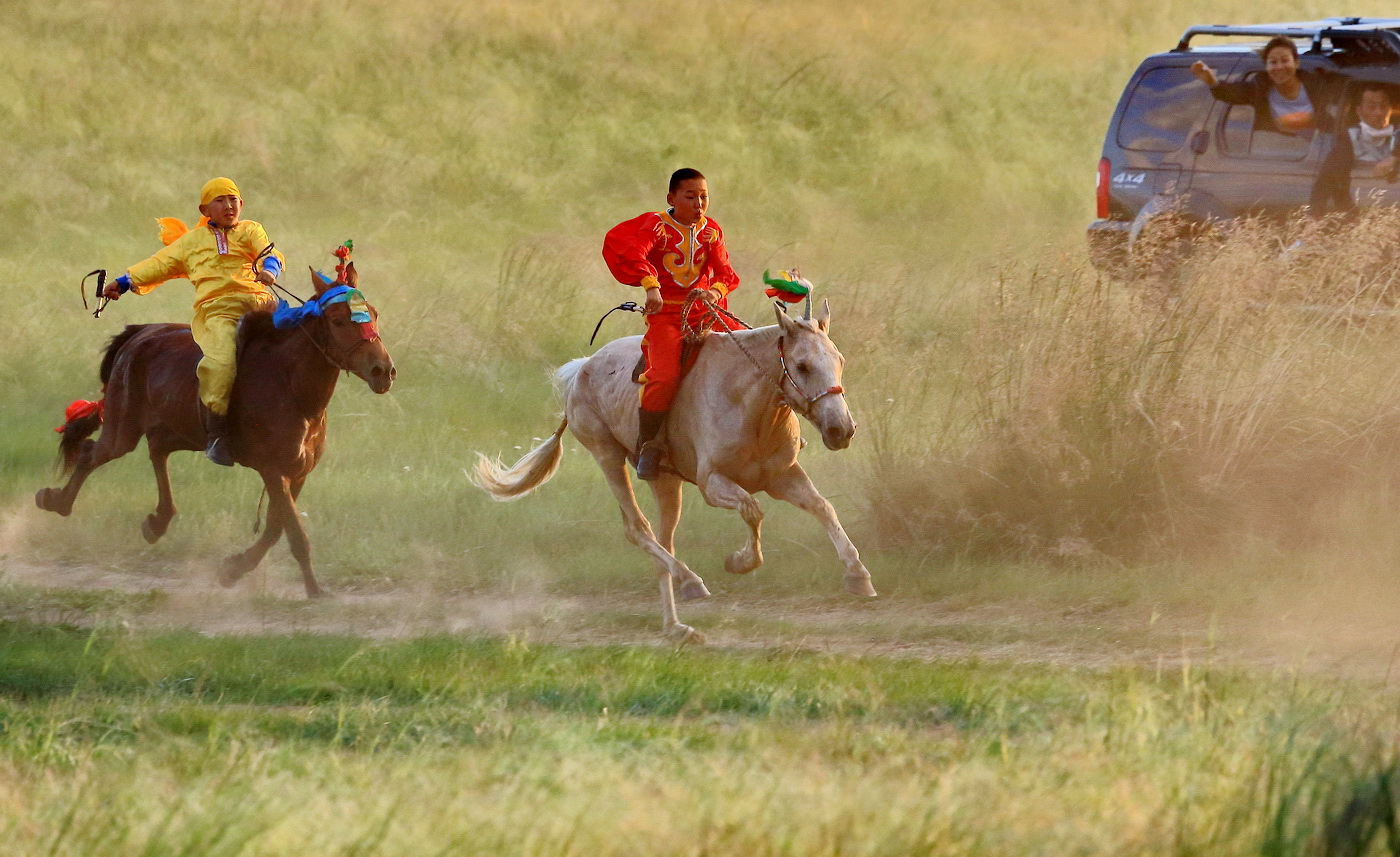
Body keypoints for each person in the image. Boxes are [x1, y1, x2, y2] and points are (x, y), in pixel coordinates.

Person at [101, 177, 284, 466]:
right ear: (205, 209)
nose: (228, 205)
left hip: (261, 306)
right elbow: (159, 264)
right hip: (219, 312)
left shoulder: (251, 230)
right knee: (221, 363)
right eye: (220, 201)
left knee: (300, 344)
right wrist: (123, 283)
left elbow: (268, 252)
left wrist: (270, 270)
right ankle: (217, 434)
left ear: (241, 204)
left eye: (233, 199)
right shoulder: (191, 243)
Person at [602, 168, 742, 480]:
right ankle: (648, 444)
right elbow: (634, 250)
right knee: (663, 377)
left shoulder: (712, 231)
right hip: (667, 316)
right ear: (672, 198)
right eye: (691, 197)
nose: (699, 203)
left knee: (750, 350)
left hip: (706, 313)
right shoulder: (656, 226)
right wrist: (651, 285)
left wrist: (714, 292)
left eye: (704, 196)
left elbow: (725, 274)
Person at [1191, 35, 1332, 136]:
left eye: (1285, 60)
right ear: (1266, 66)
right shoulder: (1259, 87)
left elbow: (1345, 97)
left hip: (1314, 156)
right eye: (1273, 62)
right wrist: (1212, 82)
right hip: (1272, 157)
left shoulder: (1317, 86)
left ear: (1296, 63)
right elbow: (1234, 92)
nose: (1279, 67)